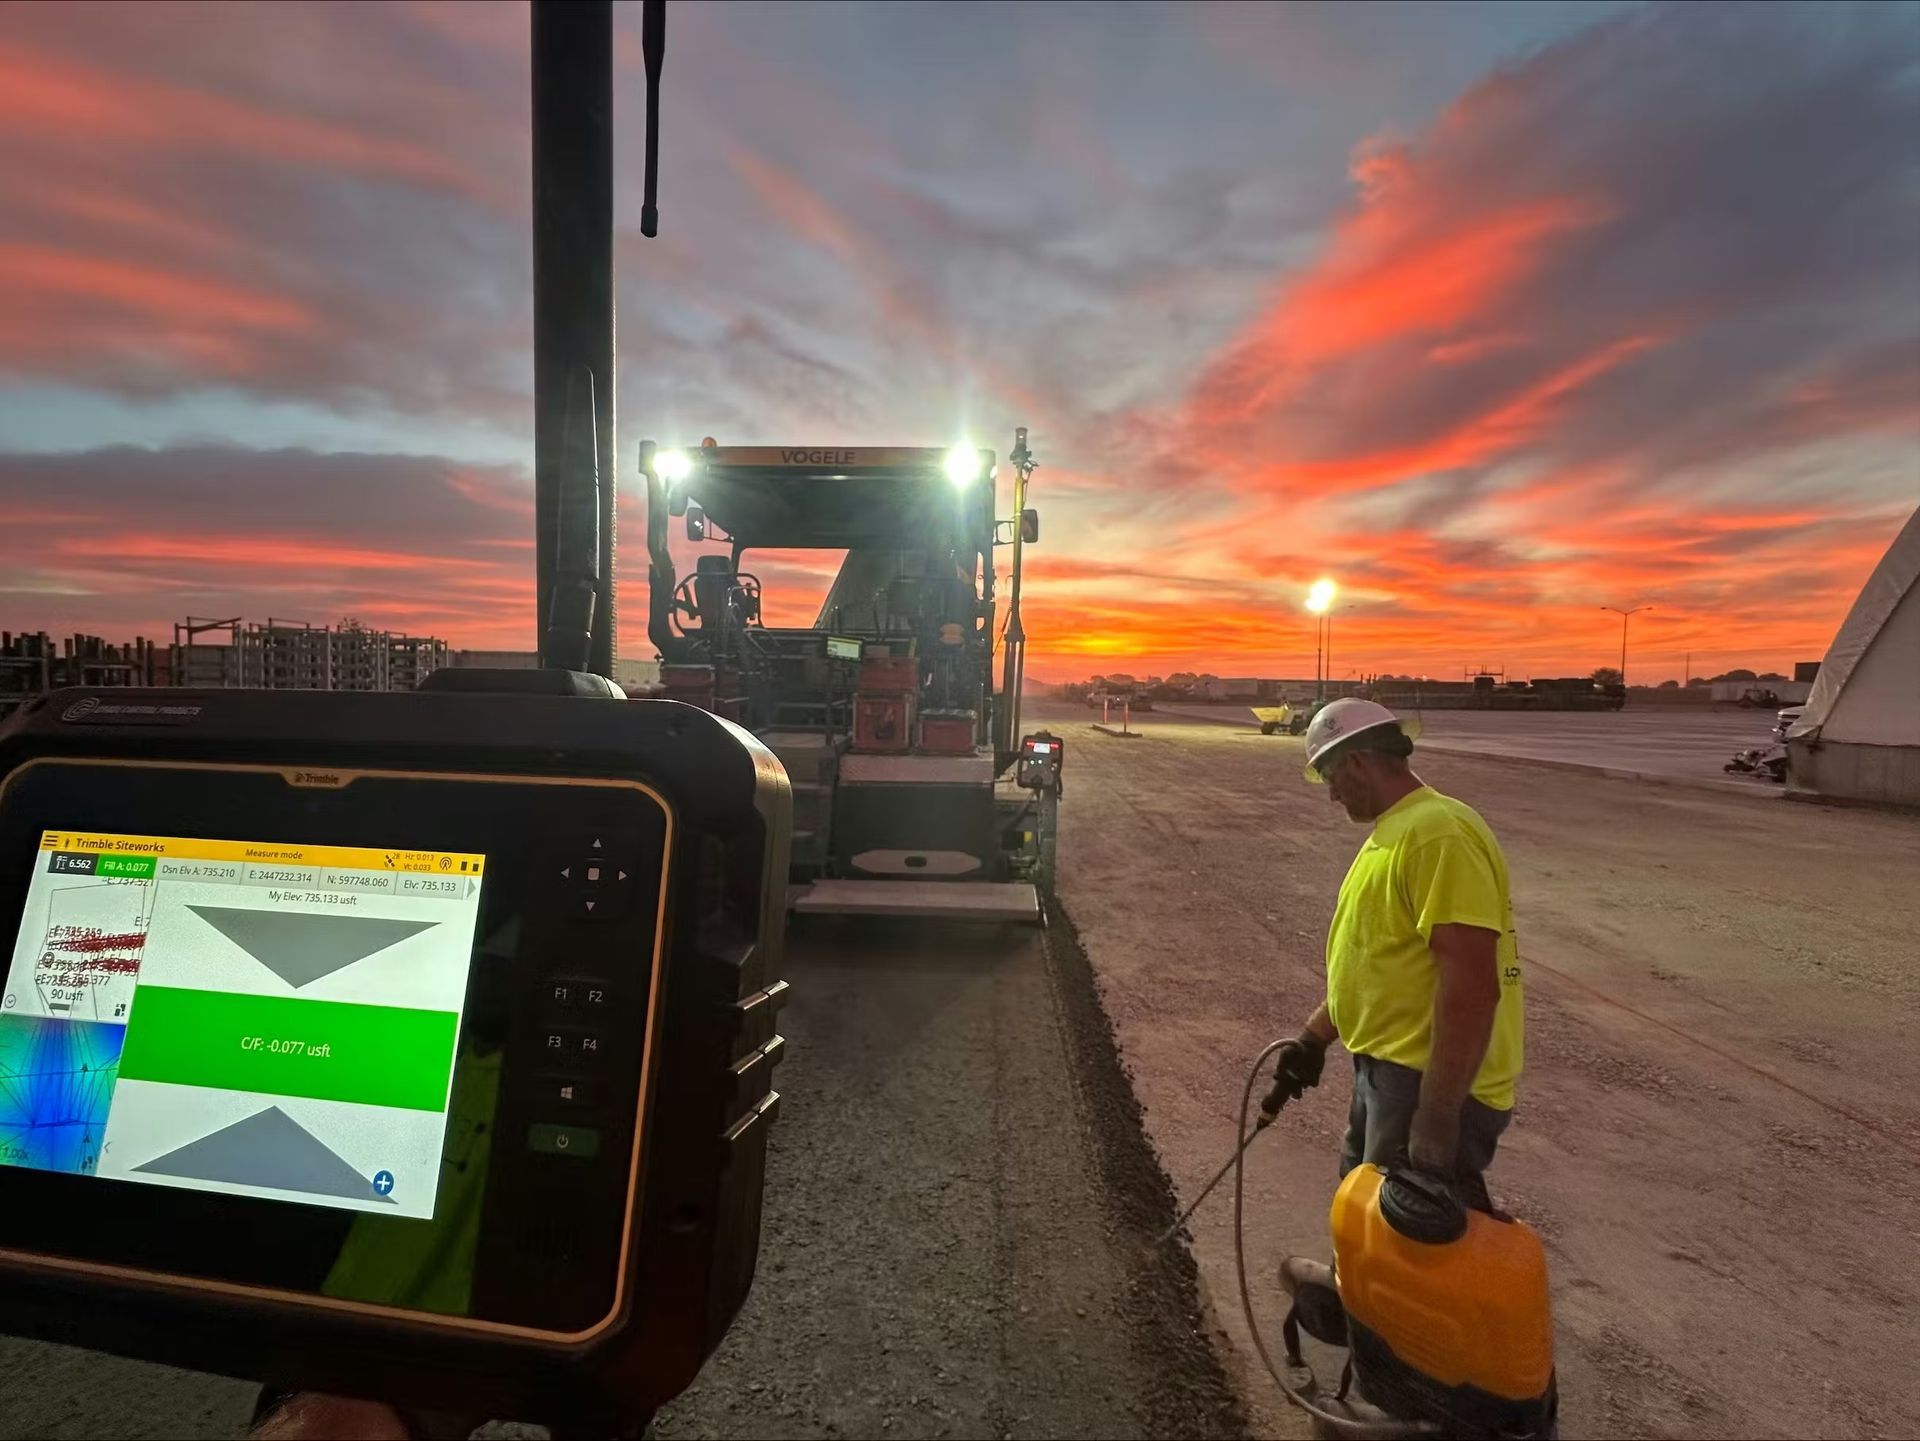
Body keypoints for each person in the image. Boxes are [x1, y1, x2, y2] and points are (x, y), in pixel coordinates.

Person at [1268, 698, 1523, 1210]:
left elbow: (1472, 985)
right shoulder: (1398, 830)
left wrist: (1435, 1119)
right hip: (1387, 1074)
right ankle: (1348, 1291)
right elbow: (1379, 958)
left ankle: (1362, 1293)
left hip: (1425, 1087)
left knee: (1403, 1247)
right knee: (1363, 1219)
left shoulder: (1438, 834)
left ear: (1358, 762)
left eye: (1330, 777)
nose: (1333, 794)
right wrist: (1315, 1037)